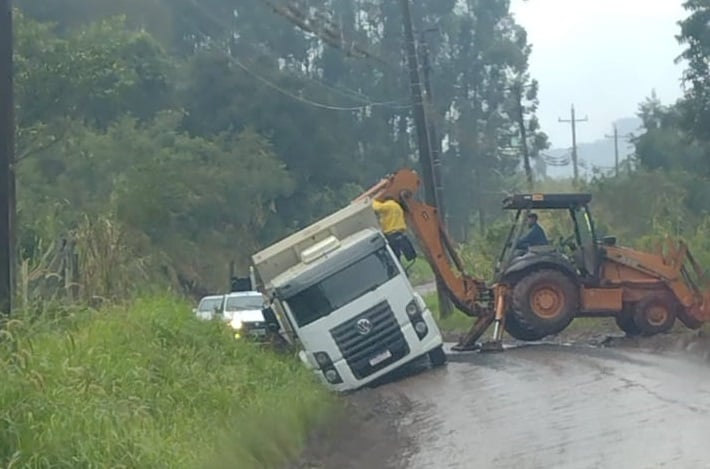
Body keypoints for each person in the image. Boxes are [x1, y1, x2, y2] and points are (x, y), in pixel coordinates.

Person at [372, 195, 417, 263]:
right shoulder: (397, 207)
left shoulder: (389, 205)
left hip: (391, 234)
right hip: (400, 234)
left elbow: (377, 207)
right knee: (400, 255)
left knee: (393, 257)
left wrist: (372, 201)